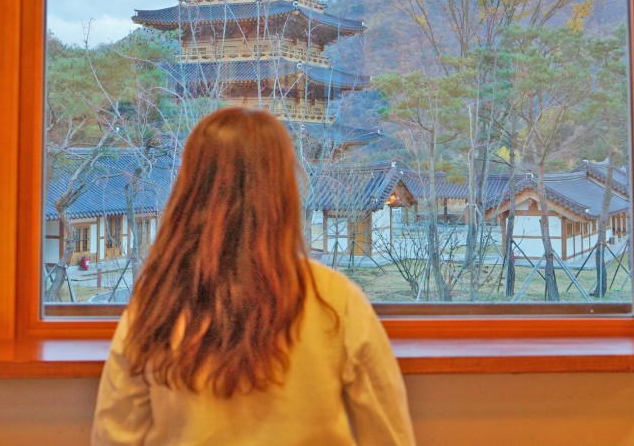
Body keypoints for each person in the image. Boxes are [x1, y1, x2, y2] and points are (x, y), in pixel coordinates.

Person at [92, 107, 416, 445]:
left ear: (189, 190)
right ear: (285, 192)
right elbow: (390, 436)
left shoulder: (158, 304)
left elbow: (112, 437)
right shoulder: (336, 301)